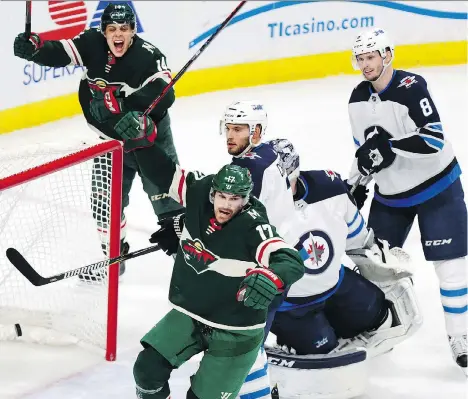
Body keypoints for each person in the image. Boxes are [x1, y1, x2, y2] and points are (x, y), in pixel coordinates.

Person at [116, 125, 305, 397]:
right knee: (147, 371)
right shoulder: (199, 192)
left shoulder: (253, 225)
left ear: (246, 200)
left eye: (236, 199)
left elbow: (288, 259)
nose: (227, 205)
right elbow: (164, 174)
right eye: (222, 197)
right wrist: (142, 143)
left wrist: (272, 276)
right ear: (212, 194)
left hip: (235, 330)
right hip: (194, 313)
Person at [13, 2, 184, 278]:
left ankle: (191, 266)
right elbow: (60, 53)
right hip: (109, 142)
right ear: (104, 31)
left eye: (125, 29)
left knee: (170, 204)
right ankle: (116, 258)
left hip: (148, 140)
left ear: (133, 31)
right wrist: (36, 50)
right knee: (104, 206)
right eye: (112, 29)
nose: (119, 35)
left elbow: (166, 94)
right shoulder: (92, 43)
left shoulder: (147, 56)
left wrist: (123, 103)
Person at [346, 27, 467, 374]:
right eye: (361, 59)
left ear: (387, 56)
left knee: (451, 269)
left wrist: (391, 146)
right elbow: (366, 150)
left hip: (437, 189)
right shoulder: (356, 99)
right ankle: (382, 331)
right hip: (391, 196)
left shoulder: (412, 87)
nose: (366, 64)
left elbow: (434, 140)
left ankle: (461, 337)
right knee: (374, 268)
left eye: (371, 57)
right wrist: (356, 180)